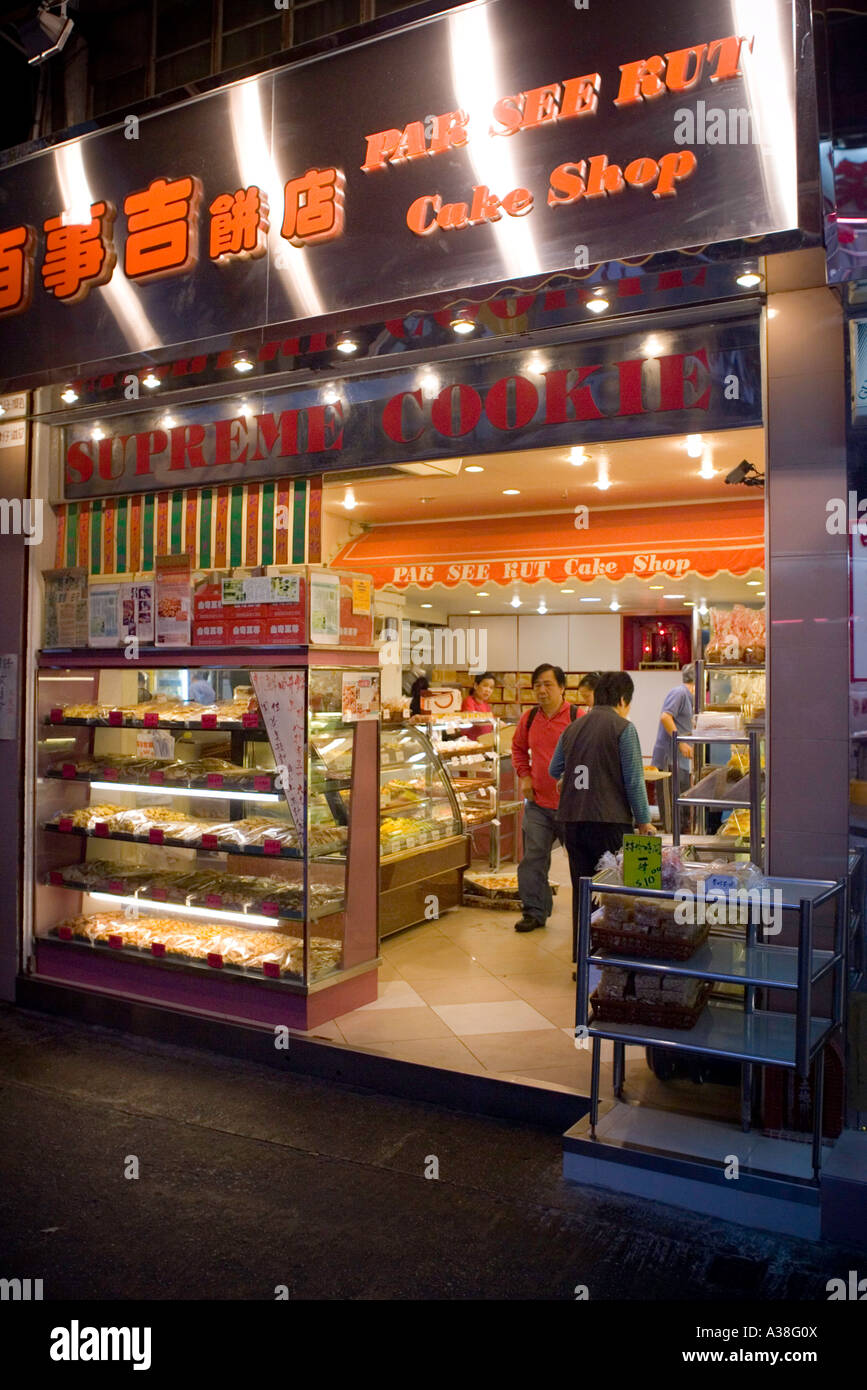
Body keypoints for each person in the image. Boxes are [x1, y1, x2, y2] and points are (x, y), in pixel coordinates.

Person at [549, 670, 655, 964]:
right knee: (611, 893)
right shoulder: (623, 728)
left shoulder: (573, 727)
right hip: (609, 823)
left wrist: (571, 777)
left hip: (571, 821)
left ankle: (582, 958)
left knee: (583, 891)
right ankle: (608, 959)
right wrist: (644, 821)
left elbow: (553, 769)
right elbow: (634, 780)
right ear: (622, 699)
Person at [511, 663, 583, 932]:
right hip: (538, 804)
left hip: (571, 808)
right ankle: (534, 911)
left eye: (548, 684)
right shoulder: (528, 718)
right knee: (533, 859)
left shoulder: (578, 717)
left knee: (579, 861)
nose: (541, 690)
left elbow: (589, 756)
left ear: (562, 687)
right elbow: (518, 749)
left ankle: (584, 915)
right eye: (537, 684)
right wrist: (524, 775)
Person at [651, 663, 696, 834]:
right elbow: (665, 717)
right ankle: (671, 847)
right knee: (671, 810)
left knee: (682, 810)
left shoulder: (691, 698)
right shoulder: (680, 693)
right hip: (669, 760)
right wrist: (681, 742)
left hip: (681, 762)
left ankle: (681, 846)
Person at [461, 671, 495, 739]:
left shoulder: (486, 705)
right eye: (485, 686)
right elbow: (472, 718)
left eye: (491, 687)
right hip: (471, 743)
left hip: (484, 742)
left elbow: (492, 723)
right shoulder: (469, 701)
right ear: (476, 686)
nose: (488, 690)